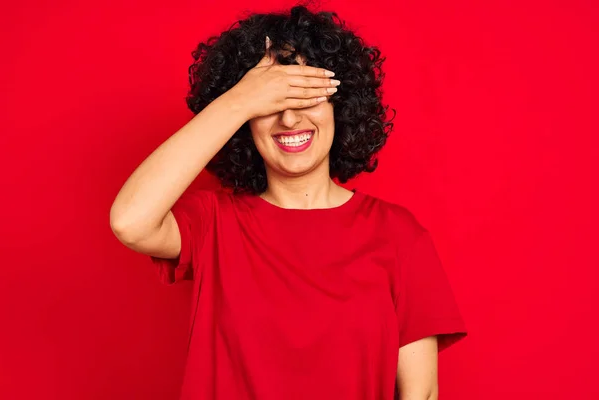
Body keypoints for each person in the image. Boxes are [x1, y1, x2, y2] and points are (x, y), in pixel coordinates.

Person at [110, 5, 467, 400]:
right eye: (270, 104)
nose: (290, 120)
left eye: (307, 96)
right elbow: (130, 221)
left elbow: (422, 394)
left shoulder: (399, 235)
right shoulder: (214, 222)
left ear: (341, 106)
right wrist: (239, 101)